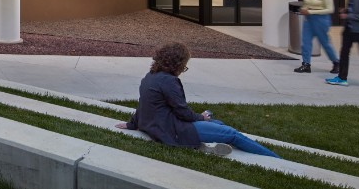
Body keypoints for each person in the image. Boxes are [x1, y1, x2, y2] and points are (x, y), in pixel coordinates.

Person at [116, 42, 280, 157]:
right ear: (177, 64)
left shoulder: (150, 76)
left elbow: (145, 103)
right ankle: (275, 159)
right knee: (232, 134)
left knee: (218, 124)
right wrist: (201, 117)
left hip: (162, 125)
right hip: (172, 130)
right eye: (184, 66)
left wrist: (132, 123)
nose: (183, 69)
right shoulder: (169, 82)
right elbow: (183, 113)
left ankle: (208, 143)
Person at [294, 0, 339, 74]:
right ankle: (306, 64)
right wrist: (303, 9)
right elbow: (306, 3)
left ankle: (336, 62)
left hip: (321, 20)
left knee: (325, 43)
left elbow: (330, 9)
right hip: (308, 20)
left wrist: (310, 11)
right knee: (305, 43)